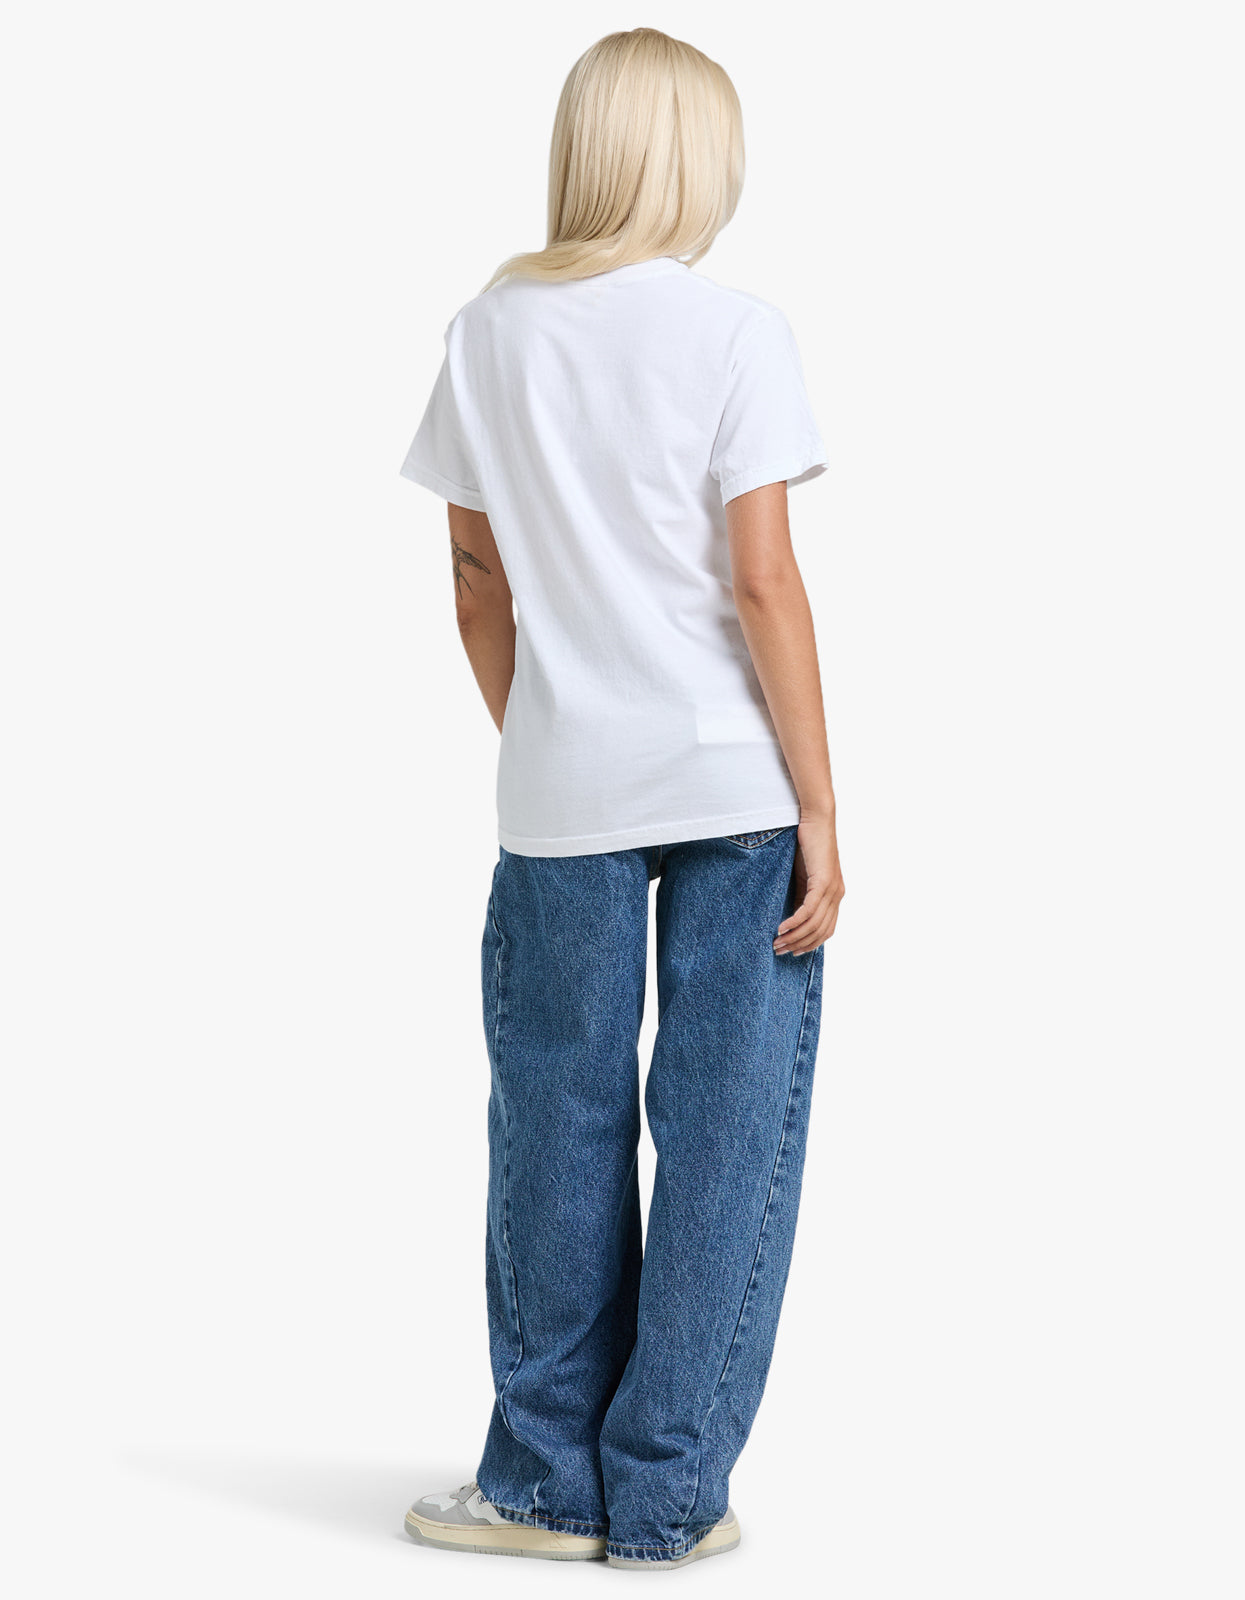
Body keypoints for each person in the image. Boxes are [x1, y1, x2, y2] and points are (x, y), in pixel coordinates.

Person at [398, 27, 845, 1571]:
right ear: (701, 161)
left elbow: (476, 583)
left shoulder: (486, 331)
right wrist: (820, 809)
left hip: (560, 791)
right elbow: (763, 583)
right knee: (725, 1131)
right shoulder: (736, 334)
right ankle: (666, 1497)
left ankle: (542, 1487)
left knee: (556, 1119)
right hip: (734, 782)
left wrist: (548, 732)